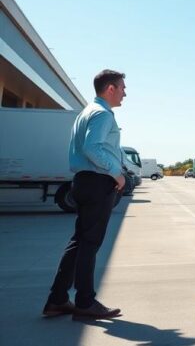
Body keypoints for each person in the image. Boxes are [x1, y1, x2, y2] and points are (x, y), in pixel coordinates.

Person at [42, 70, 128, 320]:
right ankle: (85, 302)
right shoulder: (102, 114)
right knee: (89, 244)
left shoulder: (87, 112)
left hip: (84, 181)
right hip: (97, 183)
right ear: (110, 88)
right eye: (122, 87)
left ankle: (57, 300)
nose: (125, 93)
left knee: (79, 242)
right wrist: (116, 173)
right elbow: (92, 148)